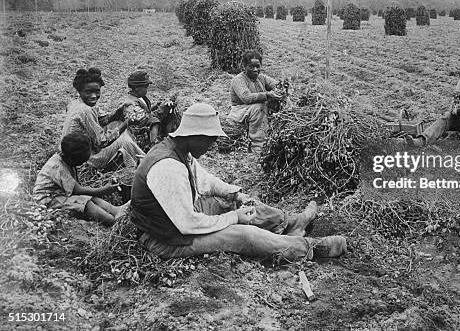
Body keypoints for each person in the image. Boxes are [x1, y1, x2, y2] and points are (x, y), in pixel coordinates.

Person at [130, 103, 347, 261]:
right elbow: (187, 225)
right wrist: (234, 218)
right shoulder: (168, 166)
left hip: (178, 222)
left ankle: (292, 223)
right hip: (167, 240)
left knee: (241, 206)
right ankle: (311, 248)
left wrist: (236, 196)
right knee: (243, 234)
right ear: (196, 135)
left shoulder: (180, 150)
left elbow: (205, 180)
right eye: (210, 141)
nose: (211, 147)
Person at [33, 133, 129, 226]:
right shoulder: (58, 167)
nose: (83, 163)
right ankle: (111, 220)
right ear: (73, 160)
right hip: (46, 201)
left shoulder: (66, 159)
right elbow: (78, 190)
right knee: (84, 204)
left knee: (90, 197)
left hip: (58, 194)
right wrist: (104, 190)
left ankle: (115, 210)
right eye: (82, 161)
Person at [61, 68, 145, 172]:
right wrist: (127, 123)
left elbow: (104, 120)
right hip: (82, 160)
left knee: (116, 124)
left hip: (75, 152)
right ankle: (144, 164)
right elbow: (102, 142)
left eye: (97, 91)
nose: (93, 96)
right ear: (79, 91)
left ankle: (139, 160)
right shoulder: (85, 110)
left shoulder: (76, 103)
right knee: (123, 140)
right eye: (88, 92)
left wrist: (120, 110)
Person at [224, 50, 283, 153]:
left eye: (258, 66)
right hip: (240, 112)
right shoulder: (238, 80)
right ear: (244, 66)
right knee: (259, 107)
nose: (255, 70)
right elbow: (246, 98)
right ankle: (258, 147)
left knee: (274, 104)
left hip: (254, 112)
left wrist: (281, 89)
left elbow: (276, 85)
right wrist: (267, 94)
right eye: (251, 67)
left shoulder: (261, 78)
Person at [120, 70, 178, 152]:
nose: (147, 90)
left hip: (145, 128)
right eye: (145, 87)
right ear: (136, 88)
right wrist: (161, 109)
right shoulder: (131, 103)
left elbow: (147, 111)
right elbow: (145, 119)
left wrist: (156, 106)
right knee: (154, 120)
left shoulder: (140, 97)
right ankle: (154, 145)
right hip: (139, 134)